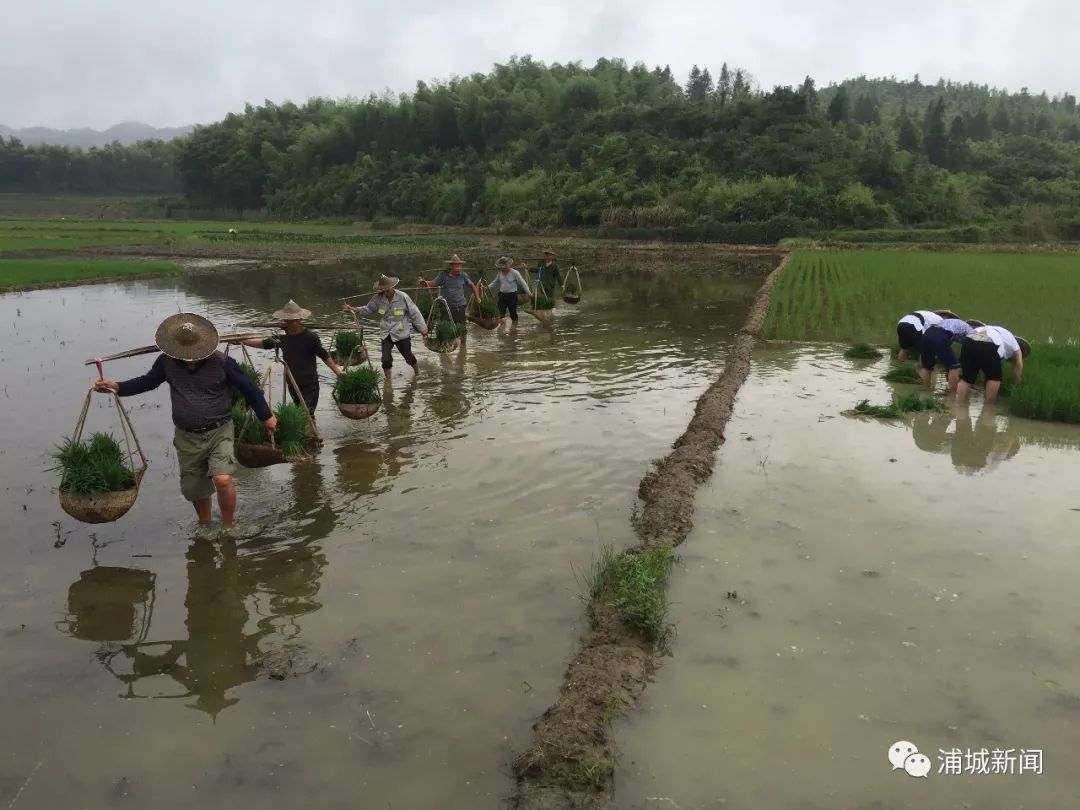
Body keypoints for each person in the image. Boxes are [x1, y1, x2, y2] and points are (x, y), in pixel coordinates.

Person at [94, 313, 276, 532]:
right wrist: (117, 387)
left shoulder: (223, 362)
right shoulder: (166, 362)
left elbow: (249, 388)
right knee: (195, 488)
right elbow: (147, 382)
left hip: (219, 430)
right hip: (186, 435)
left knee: (223, 478)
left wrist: (266, 416)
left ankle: (229, 526)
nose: (190, 358)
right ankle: (206, 525)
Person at [242, 300, 344, 415]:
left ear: (300, 320)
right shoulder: (281, 337)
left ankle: (311, 430)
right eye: (290, 320)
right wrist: (242, 341)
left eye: (296, 320)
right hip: (292, 382)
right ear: (285, 321)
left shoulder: (310, 338)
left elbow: (324, 356)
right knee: (299, 415)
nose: (294, 323)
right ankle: (309, 430)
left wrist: (337, 372)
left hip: (309, 384)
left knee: (306, 414)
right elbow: (263, 344)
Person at [342, 275, 428, 379]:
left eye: (387, 289)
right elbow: (368, 309)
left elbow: (415, 313)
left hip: (401, 333)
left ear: (392, 287)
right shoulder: (377, 298)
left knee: (408, 357)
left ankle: (417, 371)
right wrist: (353, 309)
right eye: (383, 290)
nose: (385, 292)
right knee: (385, 359)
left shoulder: (403, 297)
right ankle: (388, 382)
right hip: (386, 333)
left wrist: (423, 329)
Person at [956, 324, 1029, 405]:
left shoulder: (1003, 335)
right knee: (994, 378)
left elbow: (985, 363)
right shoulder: (1016, 346)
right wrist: (1017, 382)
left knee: (966, 378)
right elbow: (1019, 364)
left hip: (969, 339)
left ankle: (959, 406)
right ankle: (988, 408)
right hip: (990, 342)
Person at [418, 254, 480, 339]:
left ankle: (463, 347)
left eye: (460, 265)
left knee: (462, 328)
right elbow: (433, 284)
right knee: (445, 327)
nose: (458, 267)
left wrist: (477, 298)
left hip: (460, 305)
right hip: (445, 306)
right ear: (451, 266)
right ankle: (445, 346)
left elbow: (472, 285)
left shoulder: (463, 275)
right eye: (456, 265)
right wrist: (424, 282)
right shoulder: (443, 275)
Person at [918, 317, 974, 392]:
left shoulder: (954, 324)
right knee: (955, 366)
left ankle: (925, 389)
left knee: (927, 366)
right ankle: (952, 394)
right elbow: (968, 351)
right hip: (940, 336)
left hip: (927, 334)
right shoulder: (971, 331)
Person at [487, 256, 530, 323]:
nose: (502, 268)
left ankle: (515, 327)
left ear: (508, 265)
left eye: (503, 267)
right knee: (500, 313)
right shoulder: (500, 273)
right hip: (502, 295)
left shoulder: (515, 273)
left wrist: (528, 293)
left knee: (513, 313)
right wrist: (487, 287)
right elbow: (495, 282)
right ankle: (502, 327)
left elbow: (523, 283)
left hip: (512, 295)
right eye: (501, 267)